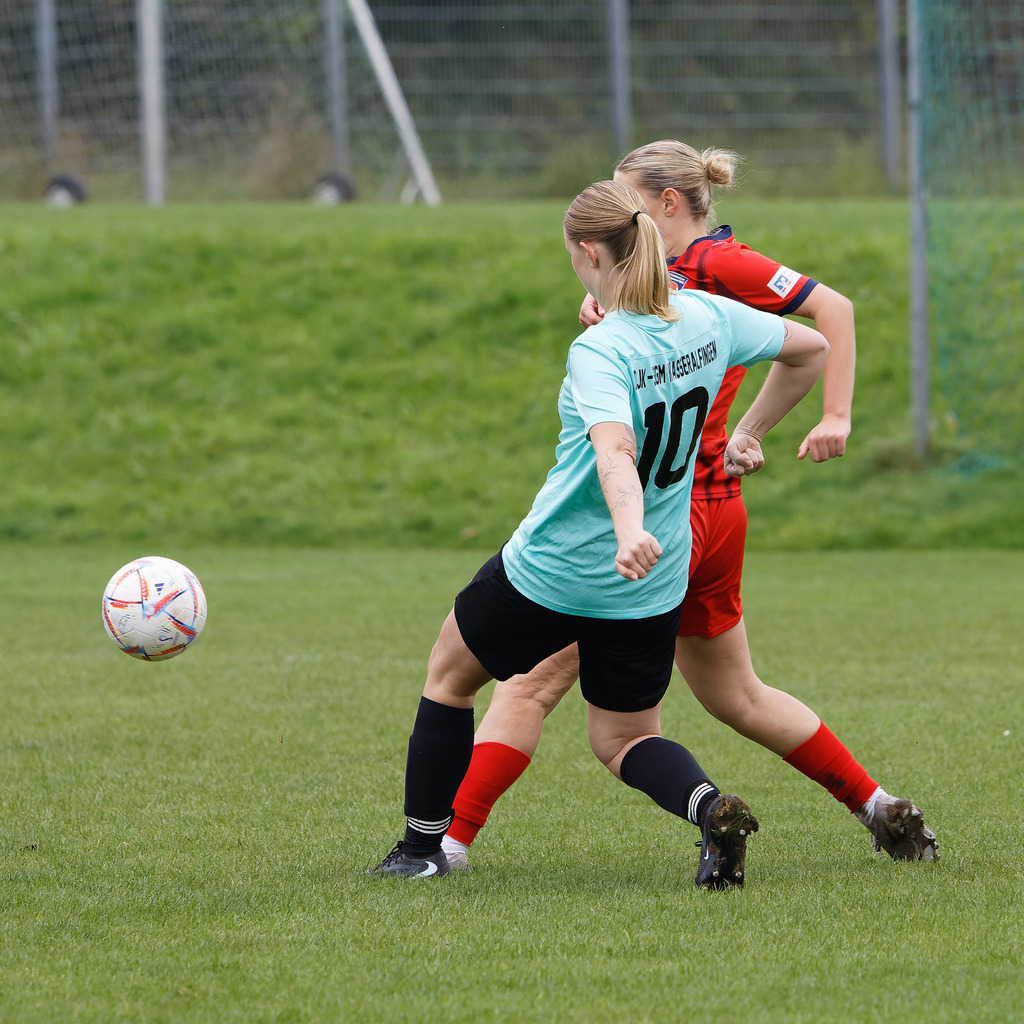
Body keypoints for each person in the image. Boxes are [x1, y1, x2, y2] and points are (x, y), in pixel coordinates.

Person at [441, 140, 939, 871]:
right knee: (738, 694)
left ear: (666, 205)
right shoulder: (673, 285)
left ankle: (444, 847)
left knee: (526, 686)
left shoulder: (710, 265)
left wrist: (827, 417)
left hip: (666, 518)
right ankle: (876, 805)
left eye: (629, 203)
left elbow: (830, 313)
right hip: (716, 510)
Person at [370, 179, 829, 886]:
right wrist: (751, 431)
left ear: (589, 252)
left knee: (451, 676)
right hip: (653, 581)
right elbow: (811, 347)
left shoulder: (602, 349)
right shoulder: (708, 315)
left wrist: (626, 530)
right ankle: (710, 810)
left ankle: (421, 850)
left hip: (558, 568)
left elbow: (614, 449)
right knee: (624, 737)